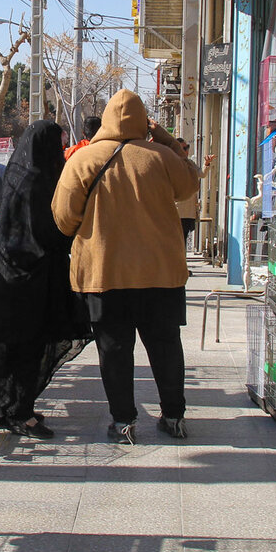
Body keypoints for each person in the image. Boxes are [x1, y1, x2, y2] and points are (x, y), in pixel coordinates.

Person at [52, 90, 201, 444]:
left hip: (105, 273)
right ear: (142, 120)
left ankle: (124, 423)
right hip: (160, 274)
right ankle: (174, 417)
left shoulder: (83, 159)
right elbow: (190, 182)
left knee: (115, 350)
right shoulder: (162, 157)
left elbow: (63, 217)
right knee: (166, 346)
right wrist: (163, 136)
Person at [0, 120, 90, 438]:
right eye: (57, 145)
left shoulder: (20, 176)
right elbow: (44, 229)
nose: (60, 151)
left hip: (20, 277)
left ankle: (17, 406)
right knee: (26, 345)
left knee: (26, 344)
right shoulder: (37, 182)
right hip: (29, 280)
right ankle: (17, 412)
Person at [174, 137, 214, 249]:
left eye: (187, 147)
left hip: (188, 210)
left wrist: (206, 164)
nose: (186, 150)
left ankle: (182, 264)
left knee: (183, 238)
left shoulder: (190, 163)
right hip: (175, 209)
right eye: (183, 148)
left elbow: (201, 173)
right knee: (176, 240)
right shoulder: (171, 163)